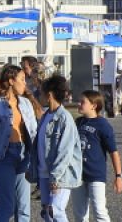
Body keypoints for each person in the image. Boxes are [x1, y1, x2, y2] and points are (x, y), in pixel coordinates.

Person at [0, 65, 37, 222]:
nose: (25, 84)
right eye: (22, 80)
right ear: (11, 81)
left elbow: (34, 132)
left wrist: (37, 157)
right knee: (7, 205)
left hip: (24, 155)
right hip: (3, 157)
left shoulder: (26, 103)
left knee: (24, 208)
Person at [74, 89, 122, 222]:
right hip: (77, 174)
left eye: (82, 102)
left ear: (93, 106)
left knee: (99, 211)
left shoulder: (103, 125)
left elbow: (113, 152)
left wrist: (118, 176)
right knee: (79, 214)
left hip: (96, 174)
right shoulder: (77, 123)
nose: (78, 104)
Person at [41, 75, 83, 222]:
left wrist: (55, 176)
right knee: (47, 212)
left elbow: (65, 151)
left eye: (42, 92)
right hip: (44, 172)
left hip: (60, 174)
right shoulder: (46, 116)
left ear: (49, 94)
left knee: (56, 211)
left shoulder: (64, 118)